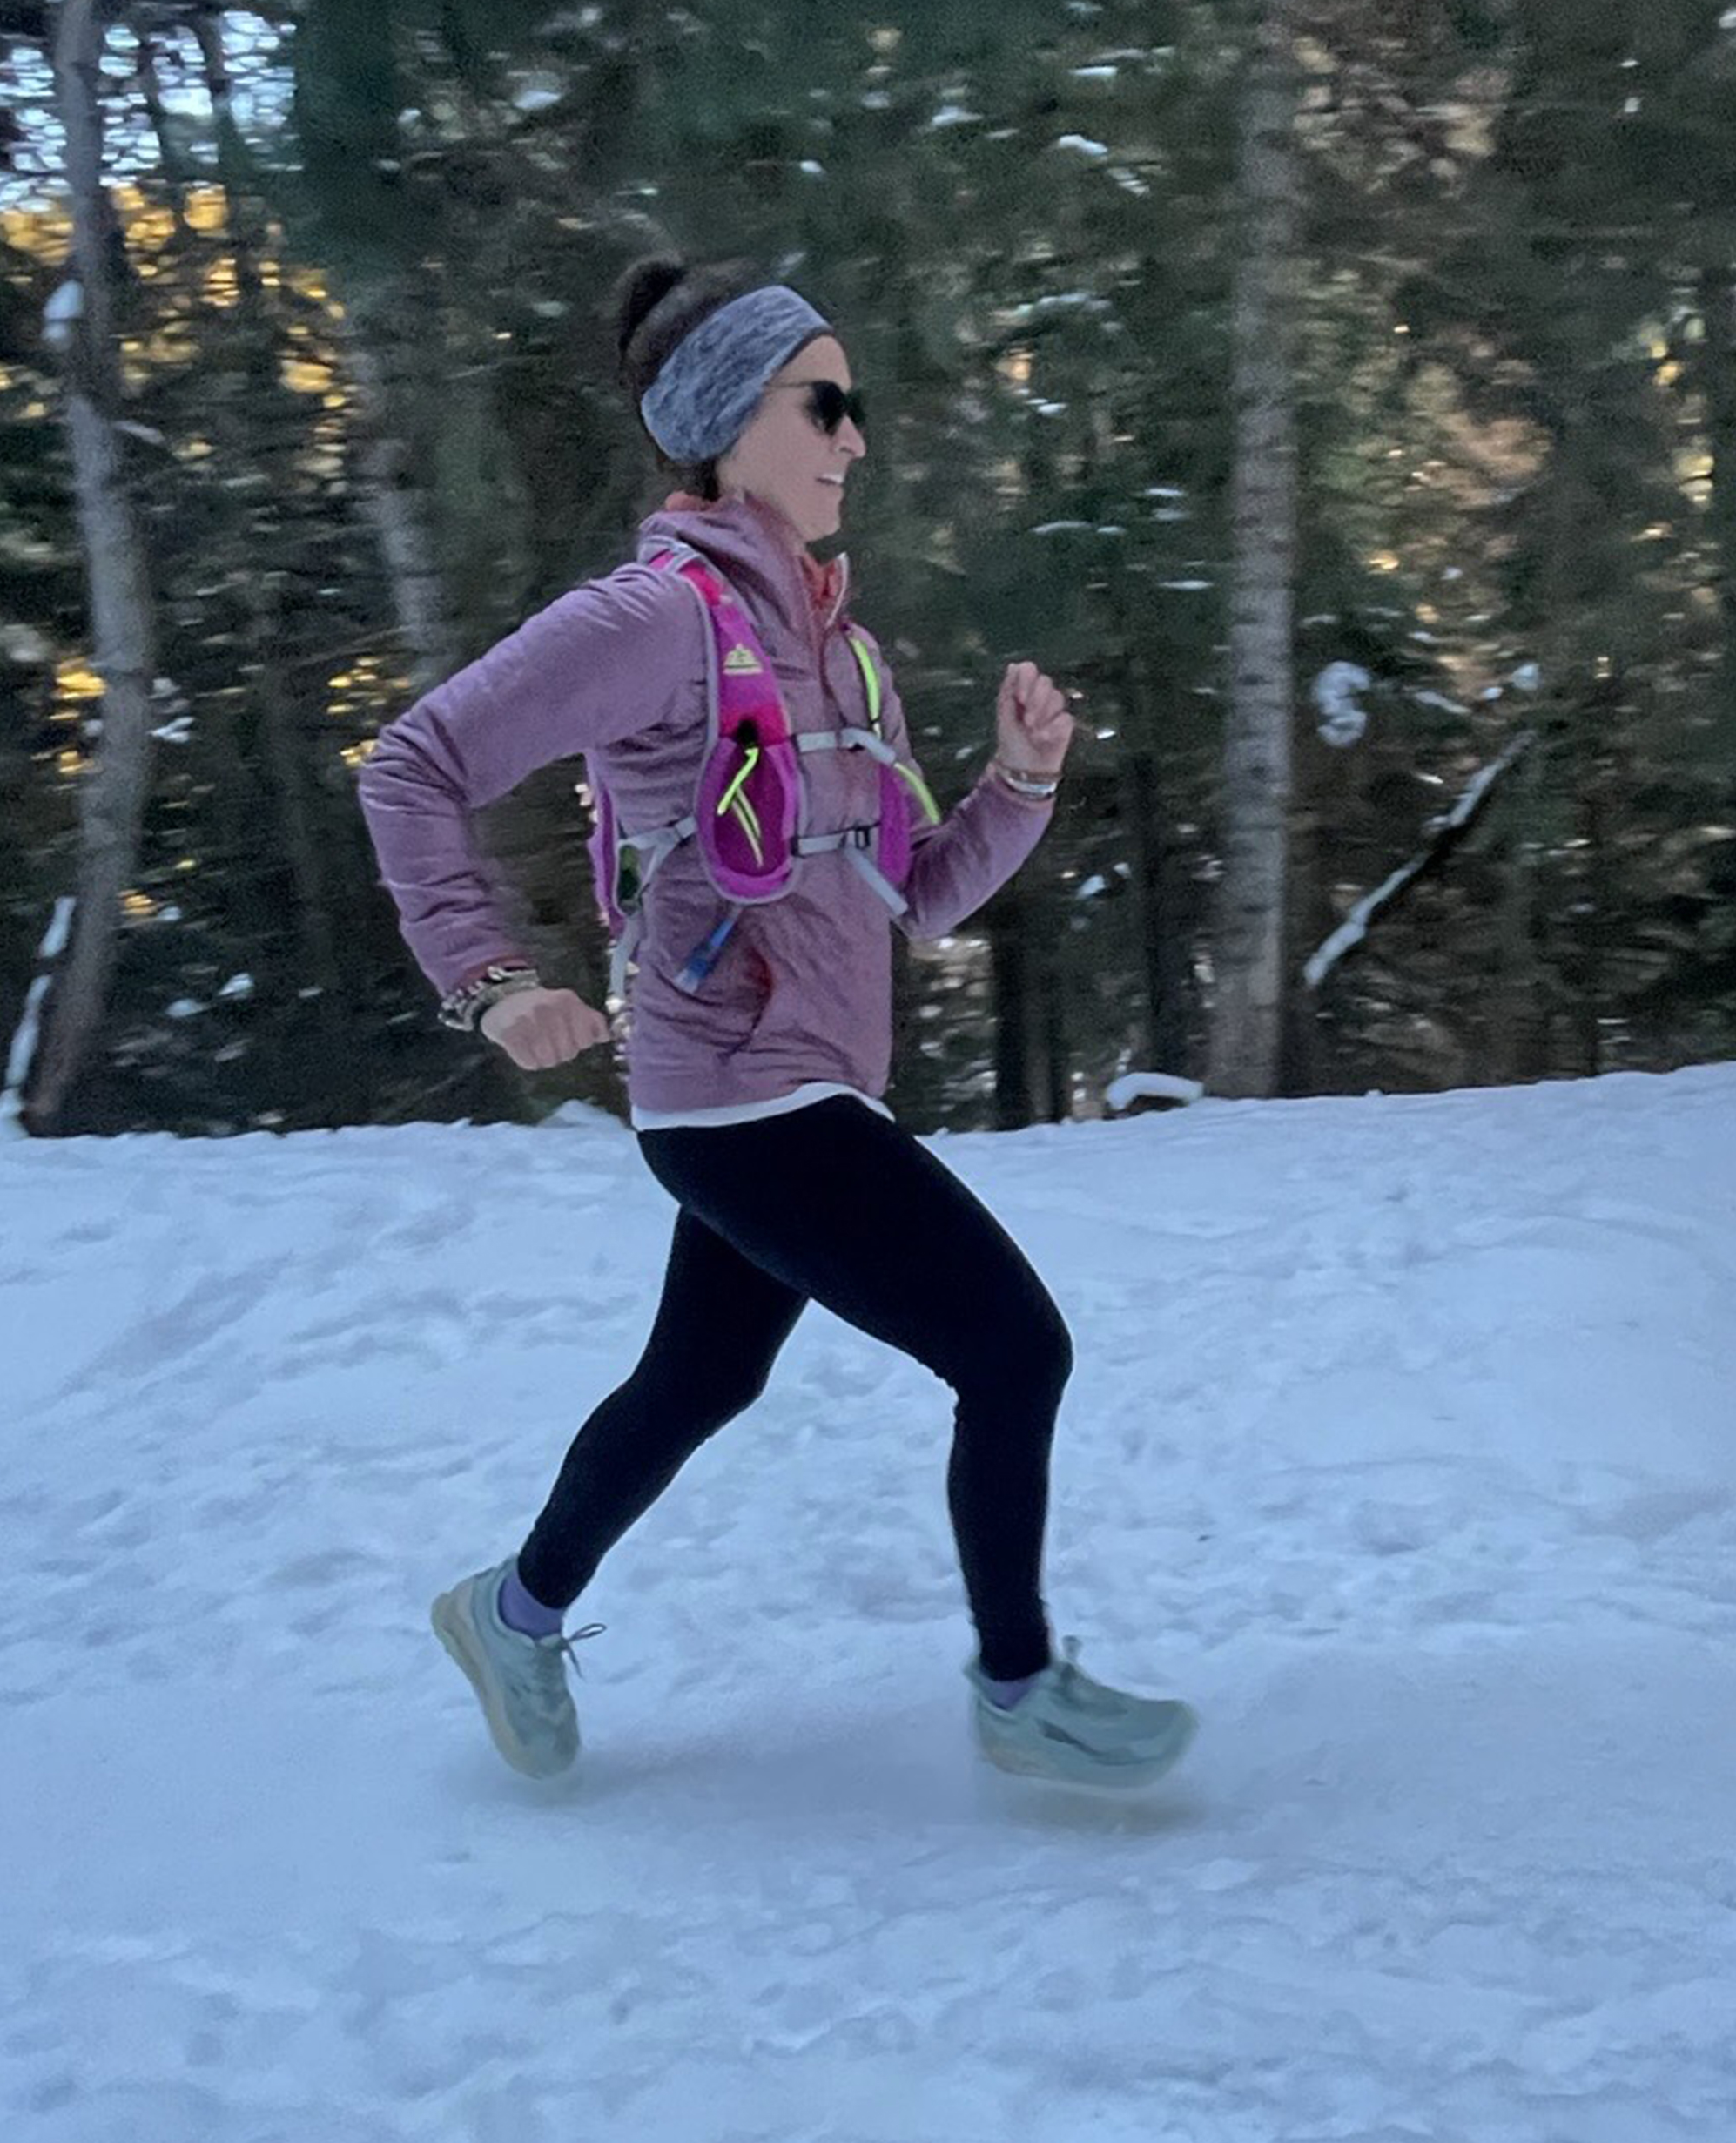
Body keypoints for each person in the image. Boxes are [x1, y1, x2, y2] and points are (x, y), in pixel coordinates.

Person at [355, 257, 1194, 1793]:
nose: (854, 435)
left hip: (806, 1089)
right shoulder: (651, 619)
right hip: (742, 1097)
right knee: (1014, 1353)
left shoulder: (837, 648)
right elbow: (411, 765)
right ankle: (1019, 1692)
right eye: (825, 402)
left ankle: (512, 1613)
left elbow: (913, 894)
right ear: (730, 419)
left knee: (701, 1380)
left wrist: (1019, 784)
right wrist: (492, 980)